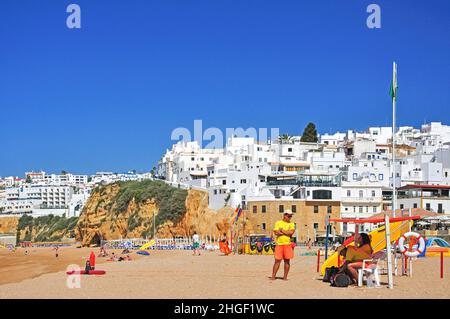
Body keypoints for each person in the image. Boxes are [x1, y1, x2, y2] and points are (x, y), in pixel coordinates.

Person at [271, 210, 296, 281]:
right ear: (284, 215)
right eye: (289, 216)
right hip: (279, 244)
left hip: (288, 244)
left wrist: (282, 231)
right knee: (277, 261)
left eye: (291, 216)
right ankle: (273, 276)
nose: (290, 217)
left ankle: (285, 277)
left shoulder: (292, 224)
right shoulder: (278, 223)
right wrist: (286, 232)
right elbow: (276, 232)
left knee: (287, 261)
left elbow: (291, 233)